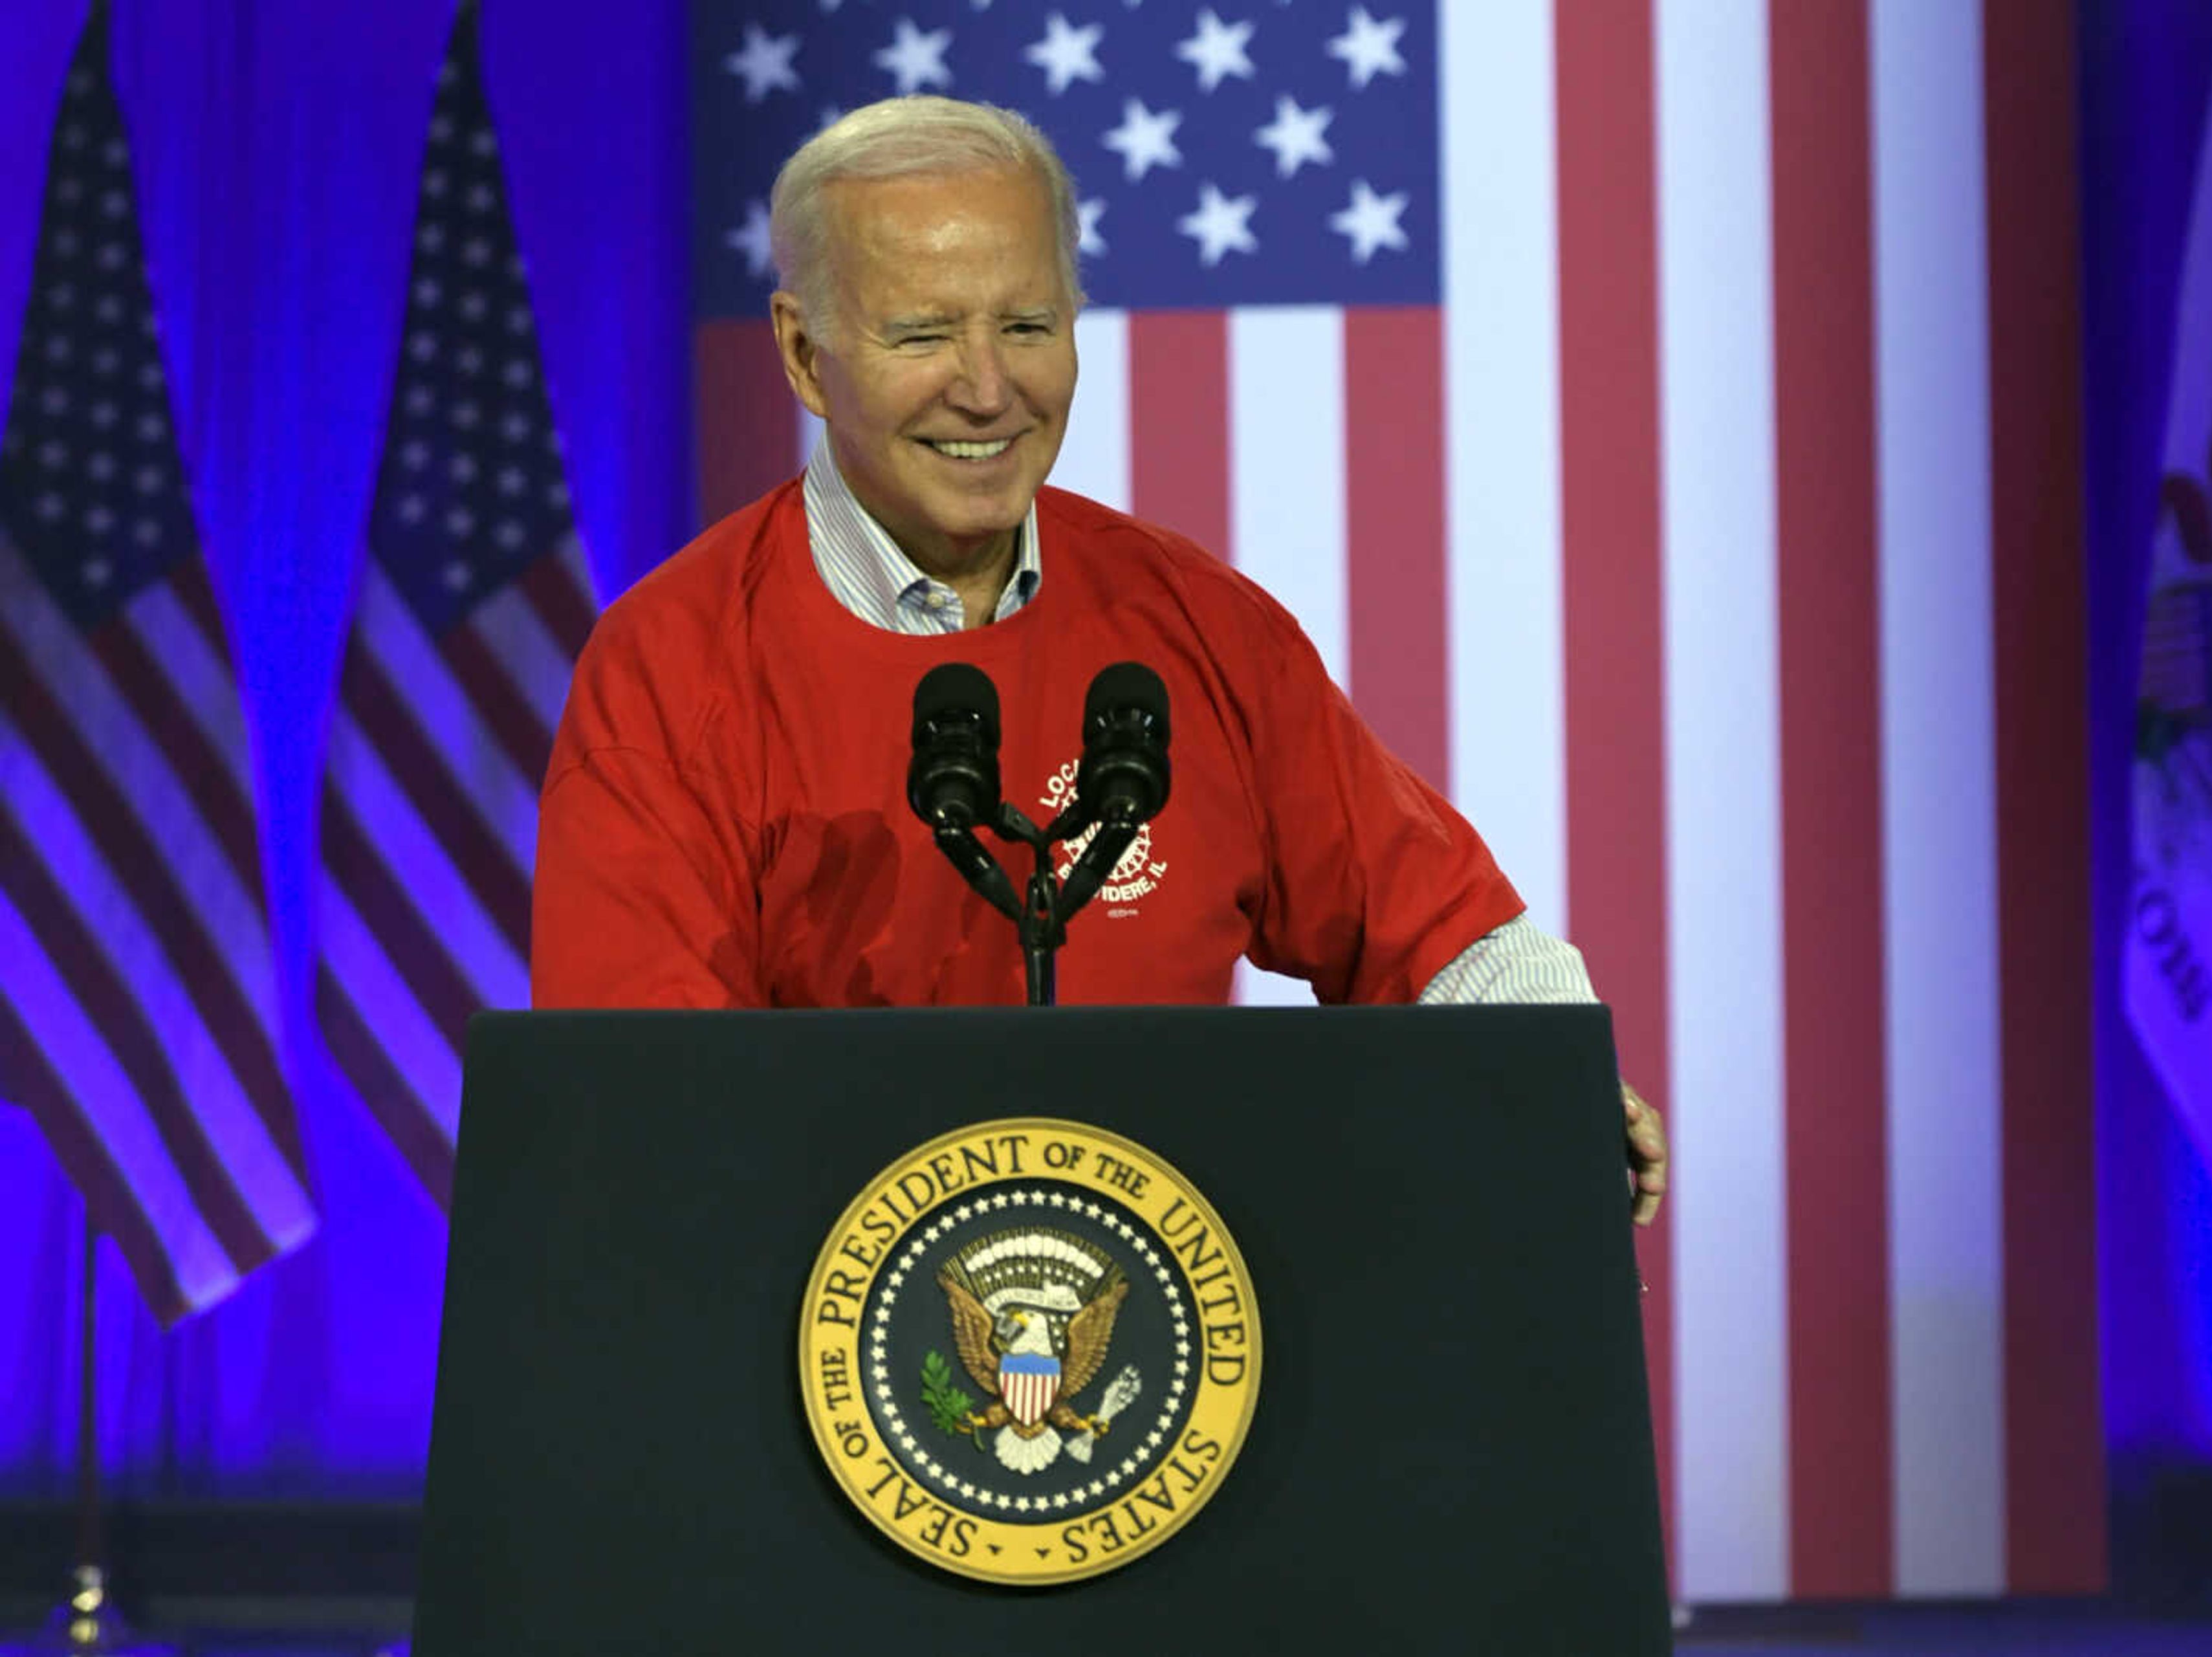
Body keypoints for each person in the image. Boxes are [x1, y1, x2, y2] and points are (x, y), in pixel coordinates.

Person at [530, 96, 1665, 1224]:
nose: (987, 387)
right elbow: (645, 1123)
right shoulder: (668, 673)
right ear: (804, 354)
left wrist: (1557, 1090)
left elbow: (1447, 938)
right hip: (816, 1353)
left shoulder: (1202, 627)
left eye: (1027, 325)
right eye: (923, 334)